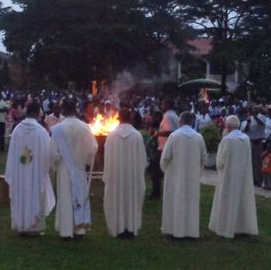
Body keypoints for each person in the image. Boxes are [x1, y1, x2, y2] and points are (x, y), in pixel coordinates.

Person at [49, 99, 98, 240]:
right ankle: (79, 230)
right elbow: (93, 148)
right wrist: (85, 160)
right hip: (79, 167)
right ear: (75, 109)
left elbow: (53, 152)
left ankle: (65, 232)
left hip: (64, 168)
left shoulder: (58, 129)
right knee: (79, 198)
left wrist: (58, 161)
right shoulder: (85, 127)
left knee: (65, 198)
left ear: (63, 110)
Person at [4, 102, 55, 235]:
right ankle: (34, 228)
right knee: (35, 194)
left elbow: (13, 152)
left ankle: (21, 225)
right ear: (38, 113)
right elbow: (48, 152)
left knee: (22, 194)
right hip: (35, 172)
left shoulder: (17, 130)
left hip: (20, 172)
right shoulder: (41, 132)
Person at [208, 115, 259, 239]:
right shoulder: (245, 138)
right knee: (242, 199)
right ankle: (241, 226)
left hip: (229, 175)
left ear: (228, 127)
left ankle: (226, 227)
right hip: (243, 175)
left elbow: (220, 161)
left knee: (227, 199)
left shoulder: (227, 140)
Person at [160, 111, 207, 239]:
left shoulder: (174, 136)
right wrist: (196, 171)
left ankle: (173, 229)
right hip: (191, 176)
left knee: (175, 200)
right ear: (192, 122)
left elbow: (165, 158)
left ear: (180, 121)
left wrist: (167, 171)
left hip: (175, 175)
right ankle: (190, 231)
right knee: (190, 202)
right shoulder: (198, 137)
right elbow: (204, 158)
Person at [103, 108, 147, 239]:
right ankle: (130, 227)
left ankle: (118, 227)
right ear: (130, 118)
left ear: (118, 118)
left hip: (116, 175)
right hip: (132, 176)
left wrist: (107, 175)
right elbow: (143, 159)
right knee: (131, 199)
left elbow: (107, 158)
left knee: (117, 198)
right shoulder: (137, 136)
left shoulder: (111, 136)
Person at [149, 98, 179, 200]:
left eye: (163, 104)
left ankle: (156, 194)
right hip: (168, 146)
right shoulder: (174, 115)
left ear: (167, 105)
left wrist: (157, 134)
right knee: (164, 170)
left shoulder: (167, 116)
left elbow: (170, 131)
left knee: (155, 170)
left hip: (164, 147)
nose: (161, 106)